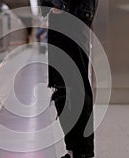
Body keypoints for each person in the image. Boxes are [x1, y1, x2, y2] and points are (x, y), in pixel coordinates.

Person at [40, 0, 98, 157]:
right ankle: (74, 150)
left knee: (75, 86)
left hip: (71, 14)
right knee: (63, 86)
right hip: (64, 14)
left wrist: (59, 5)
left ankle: (82, 151)